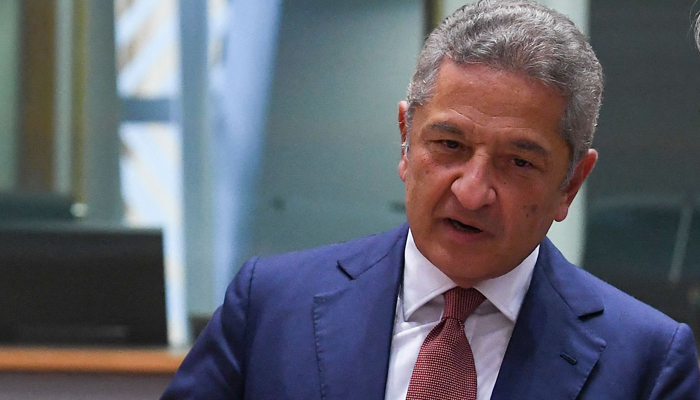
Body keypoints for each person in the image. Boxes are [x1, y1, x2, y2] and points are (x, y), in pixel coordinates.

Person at [162, 1, 700, 399]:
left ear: (571, 184)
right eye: (449, 145)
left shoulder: (647, 363)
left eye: (518, 162)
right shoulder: (271, 309)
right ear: (405, 139)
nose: (471, 191)